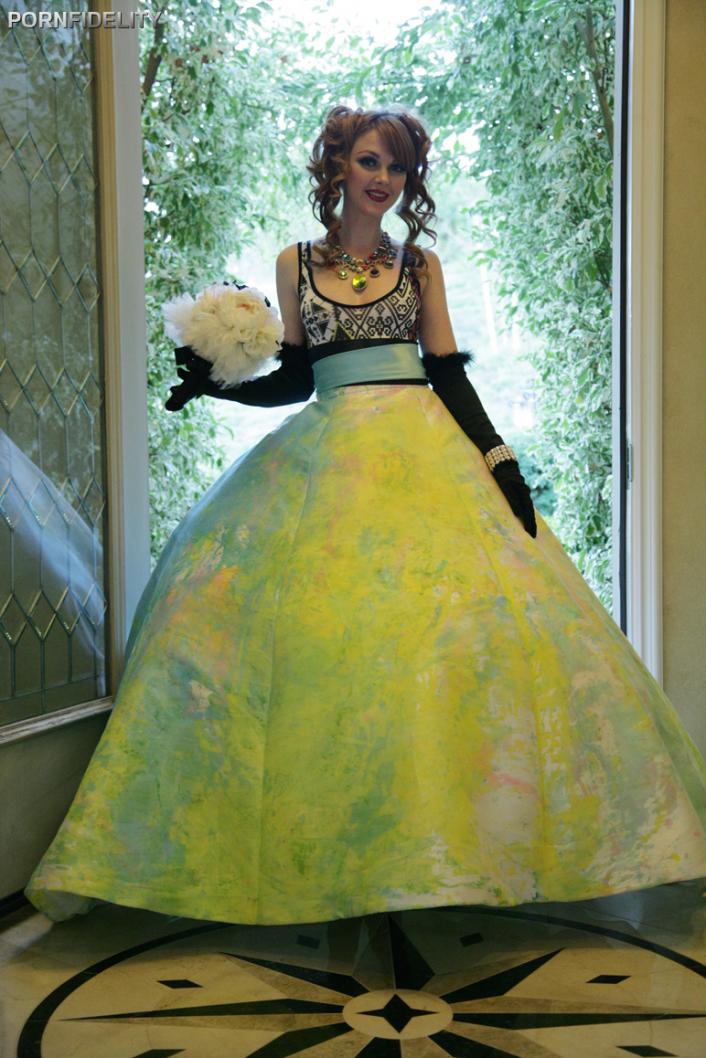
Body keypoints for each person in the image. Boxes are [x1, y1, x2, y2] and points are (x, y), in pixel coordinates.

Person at [26, 104, 706, 927]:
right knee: (318, 637)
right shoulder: (294, 263)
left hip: (425, 456)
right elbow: (297, 379)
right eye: (370, 161)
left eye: (398, 167)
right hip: (326, 461)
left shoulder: (420, 266)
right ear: (338, 168)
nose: (384, 179)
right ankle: (336, 851)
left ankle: (459, 852)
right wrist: (215, 387)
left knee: (450, 633)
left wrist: (498, 458)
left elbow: (446, 370)